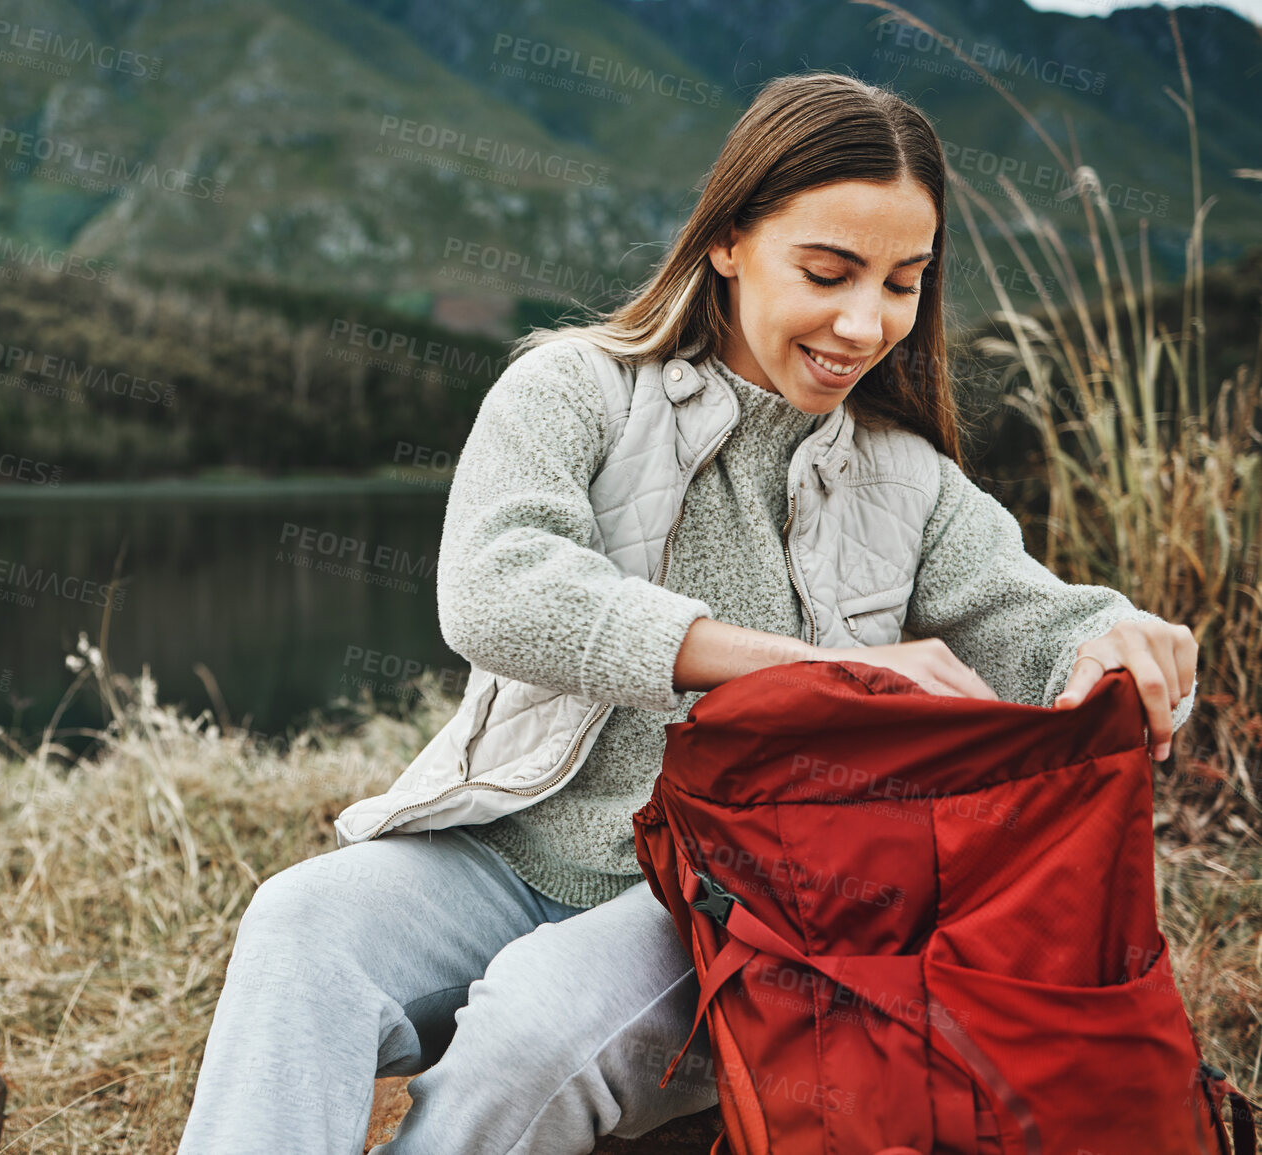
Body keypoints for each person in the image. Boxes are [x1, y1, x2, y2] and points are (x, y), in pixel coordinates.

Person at [176, 70, 1198, 1155]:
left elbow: (1033, 618)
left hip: (734, 902)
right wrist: (792, 671)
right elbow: (494, 584)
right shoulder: (570, 387)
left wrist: (1108, 639)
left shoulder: (914, 482)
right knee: (299, 924)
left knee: (533, 1027)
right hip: (509, 850)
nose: (866, 322)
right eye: (828, 271)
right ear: (727, 241)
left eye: (904, 282)